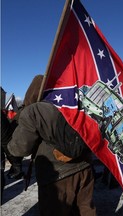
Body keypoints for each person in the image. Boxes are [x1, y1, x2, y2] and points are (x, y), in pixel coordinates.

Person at [8, 75, 98, 216]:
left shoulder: (35, 111)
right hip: (85, 167)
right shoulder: (76, 105)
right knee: (86, 210)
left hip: (56, 175)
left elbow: (20, 149)